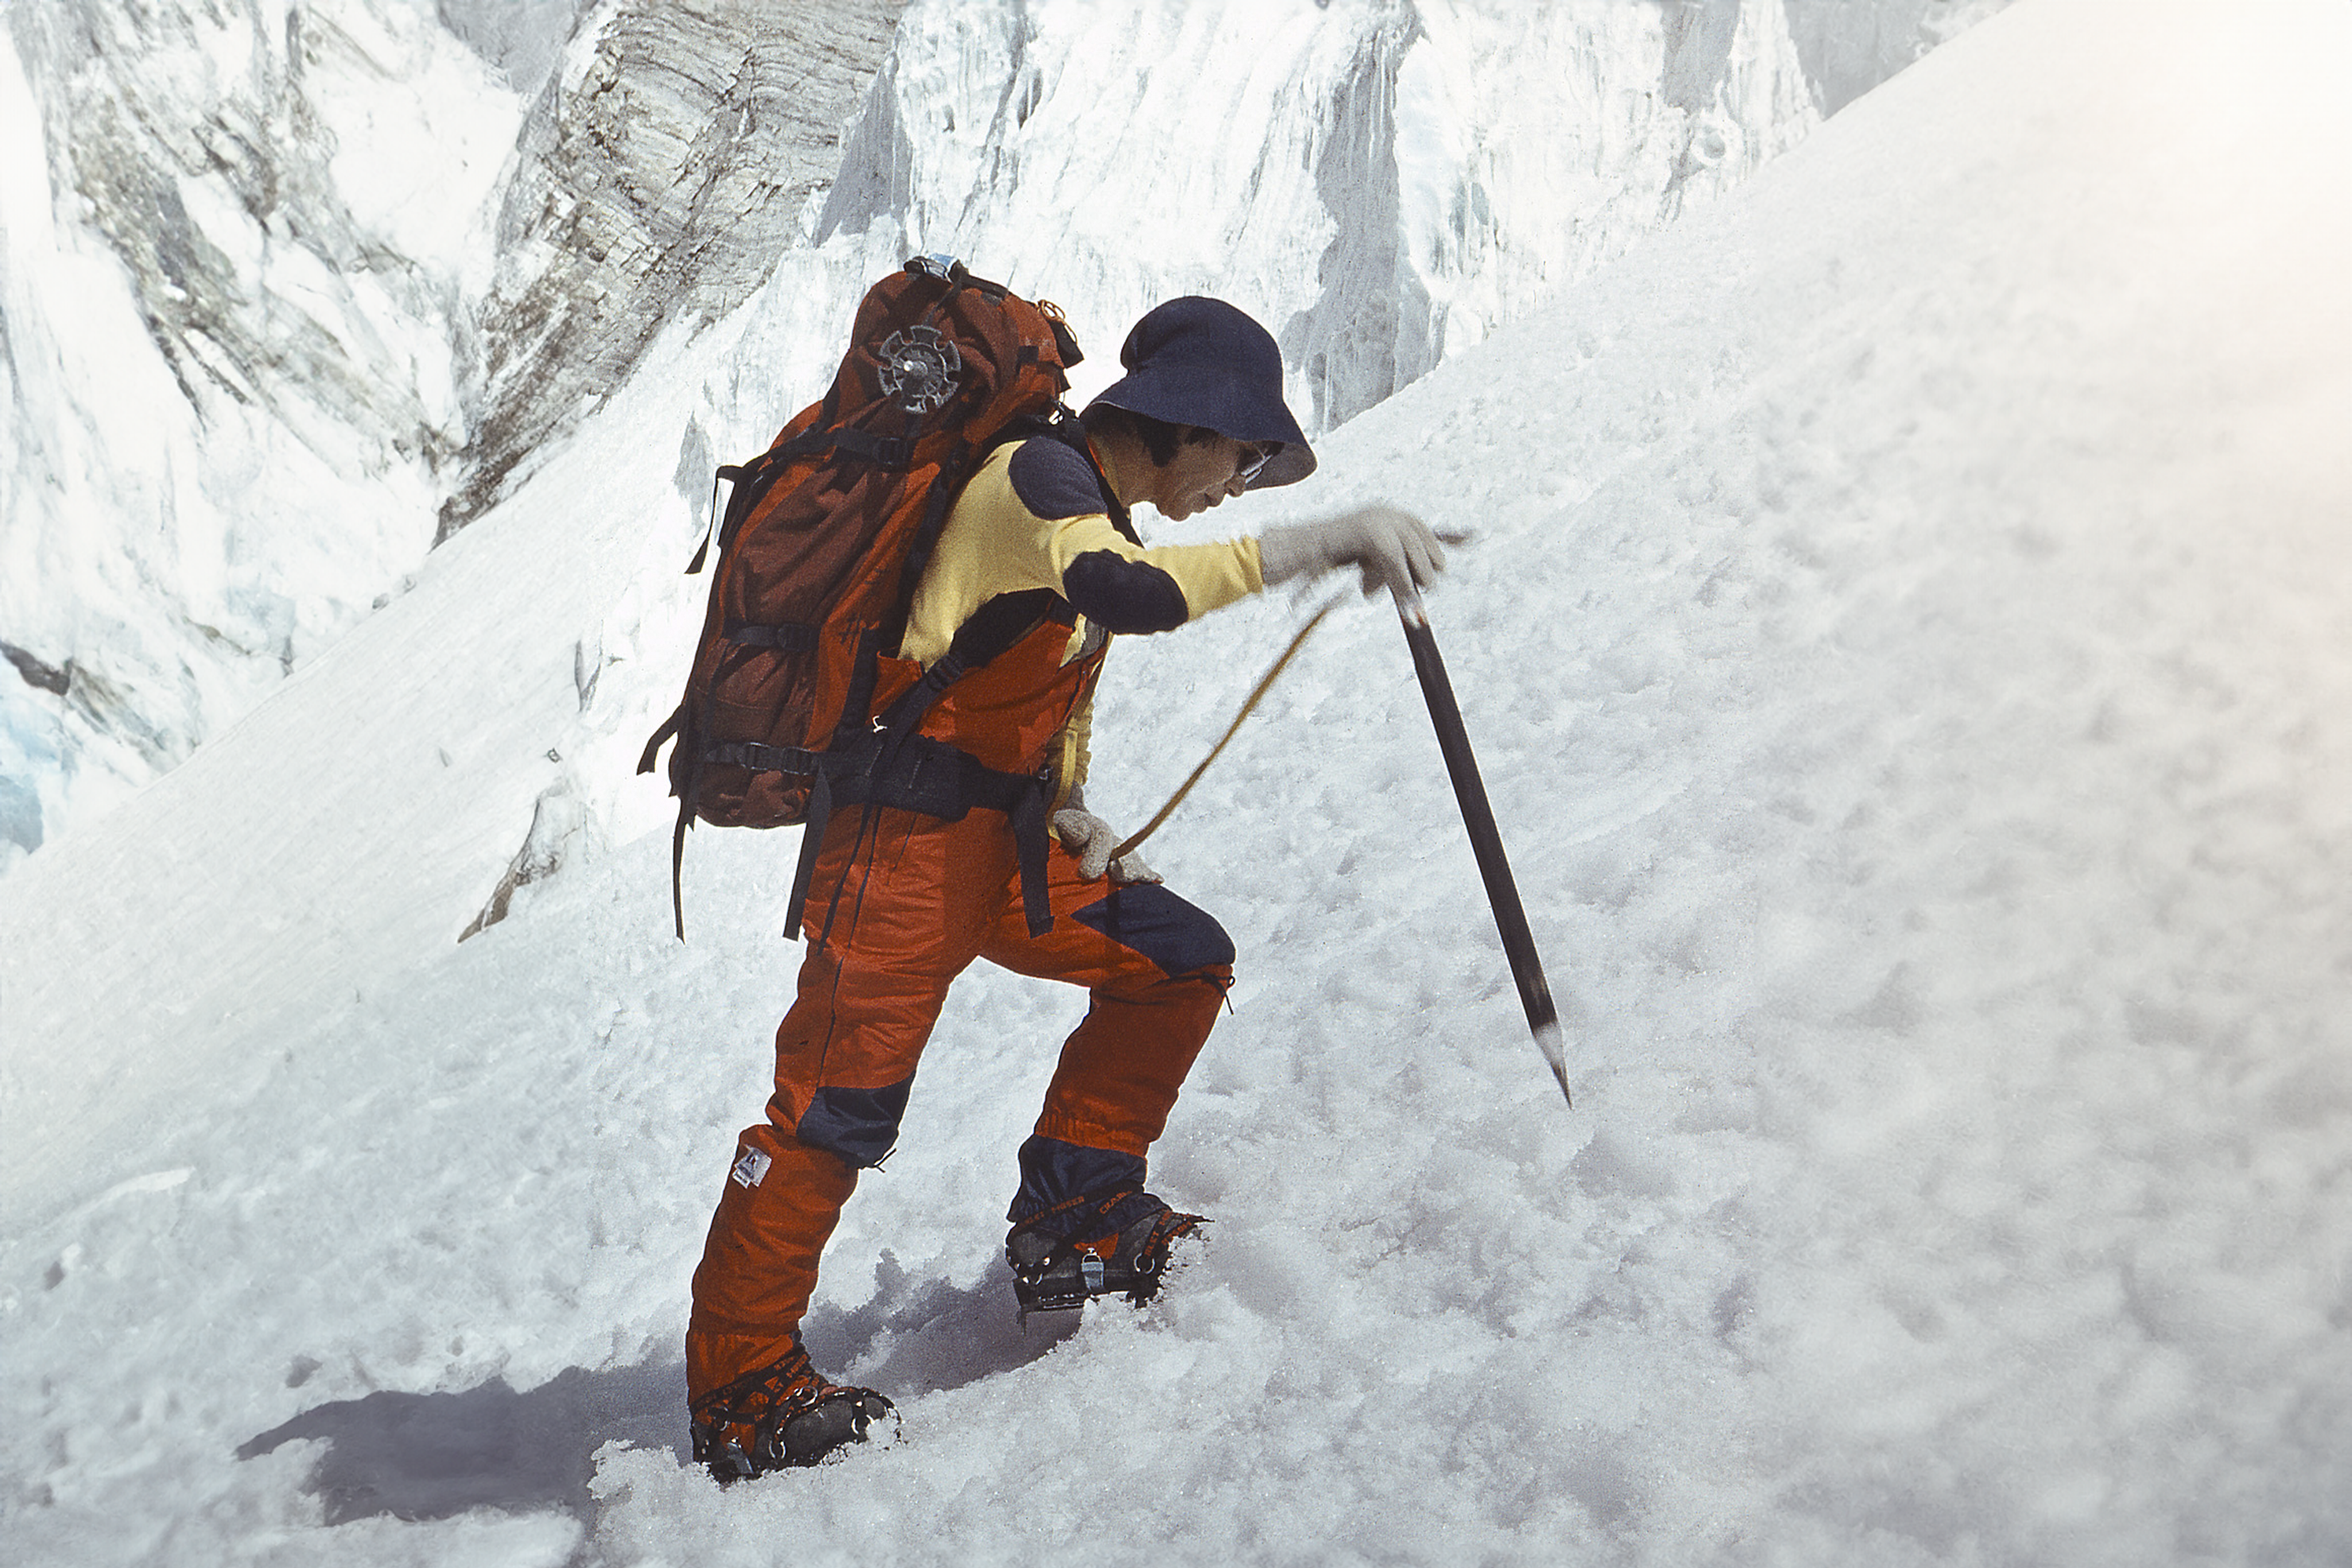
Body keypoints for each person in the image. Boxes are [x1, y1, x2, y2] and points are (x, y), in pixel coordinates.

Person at [685, 295, 1446, 1480]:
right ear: (1185, 426)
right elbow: (1124, 596)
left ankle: (1076, 1214)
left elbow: (1030, 665)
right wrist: (1323, 540)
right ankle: (739, 1389)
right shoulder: (1040, 480)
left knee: (1175, 960)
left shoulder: (1083, 497)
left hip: (1000, 844)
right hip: (899, 858)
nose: (1241, 484)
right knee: (831, 1118)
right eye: (1242, 455)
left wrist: (1069, 811)